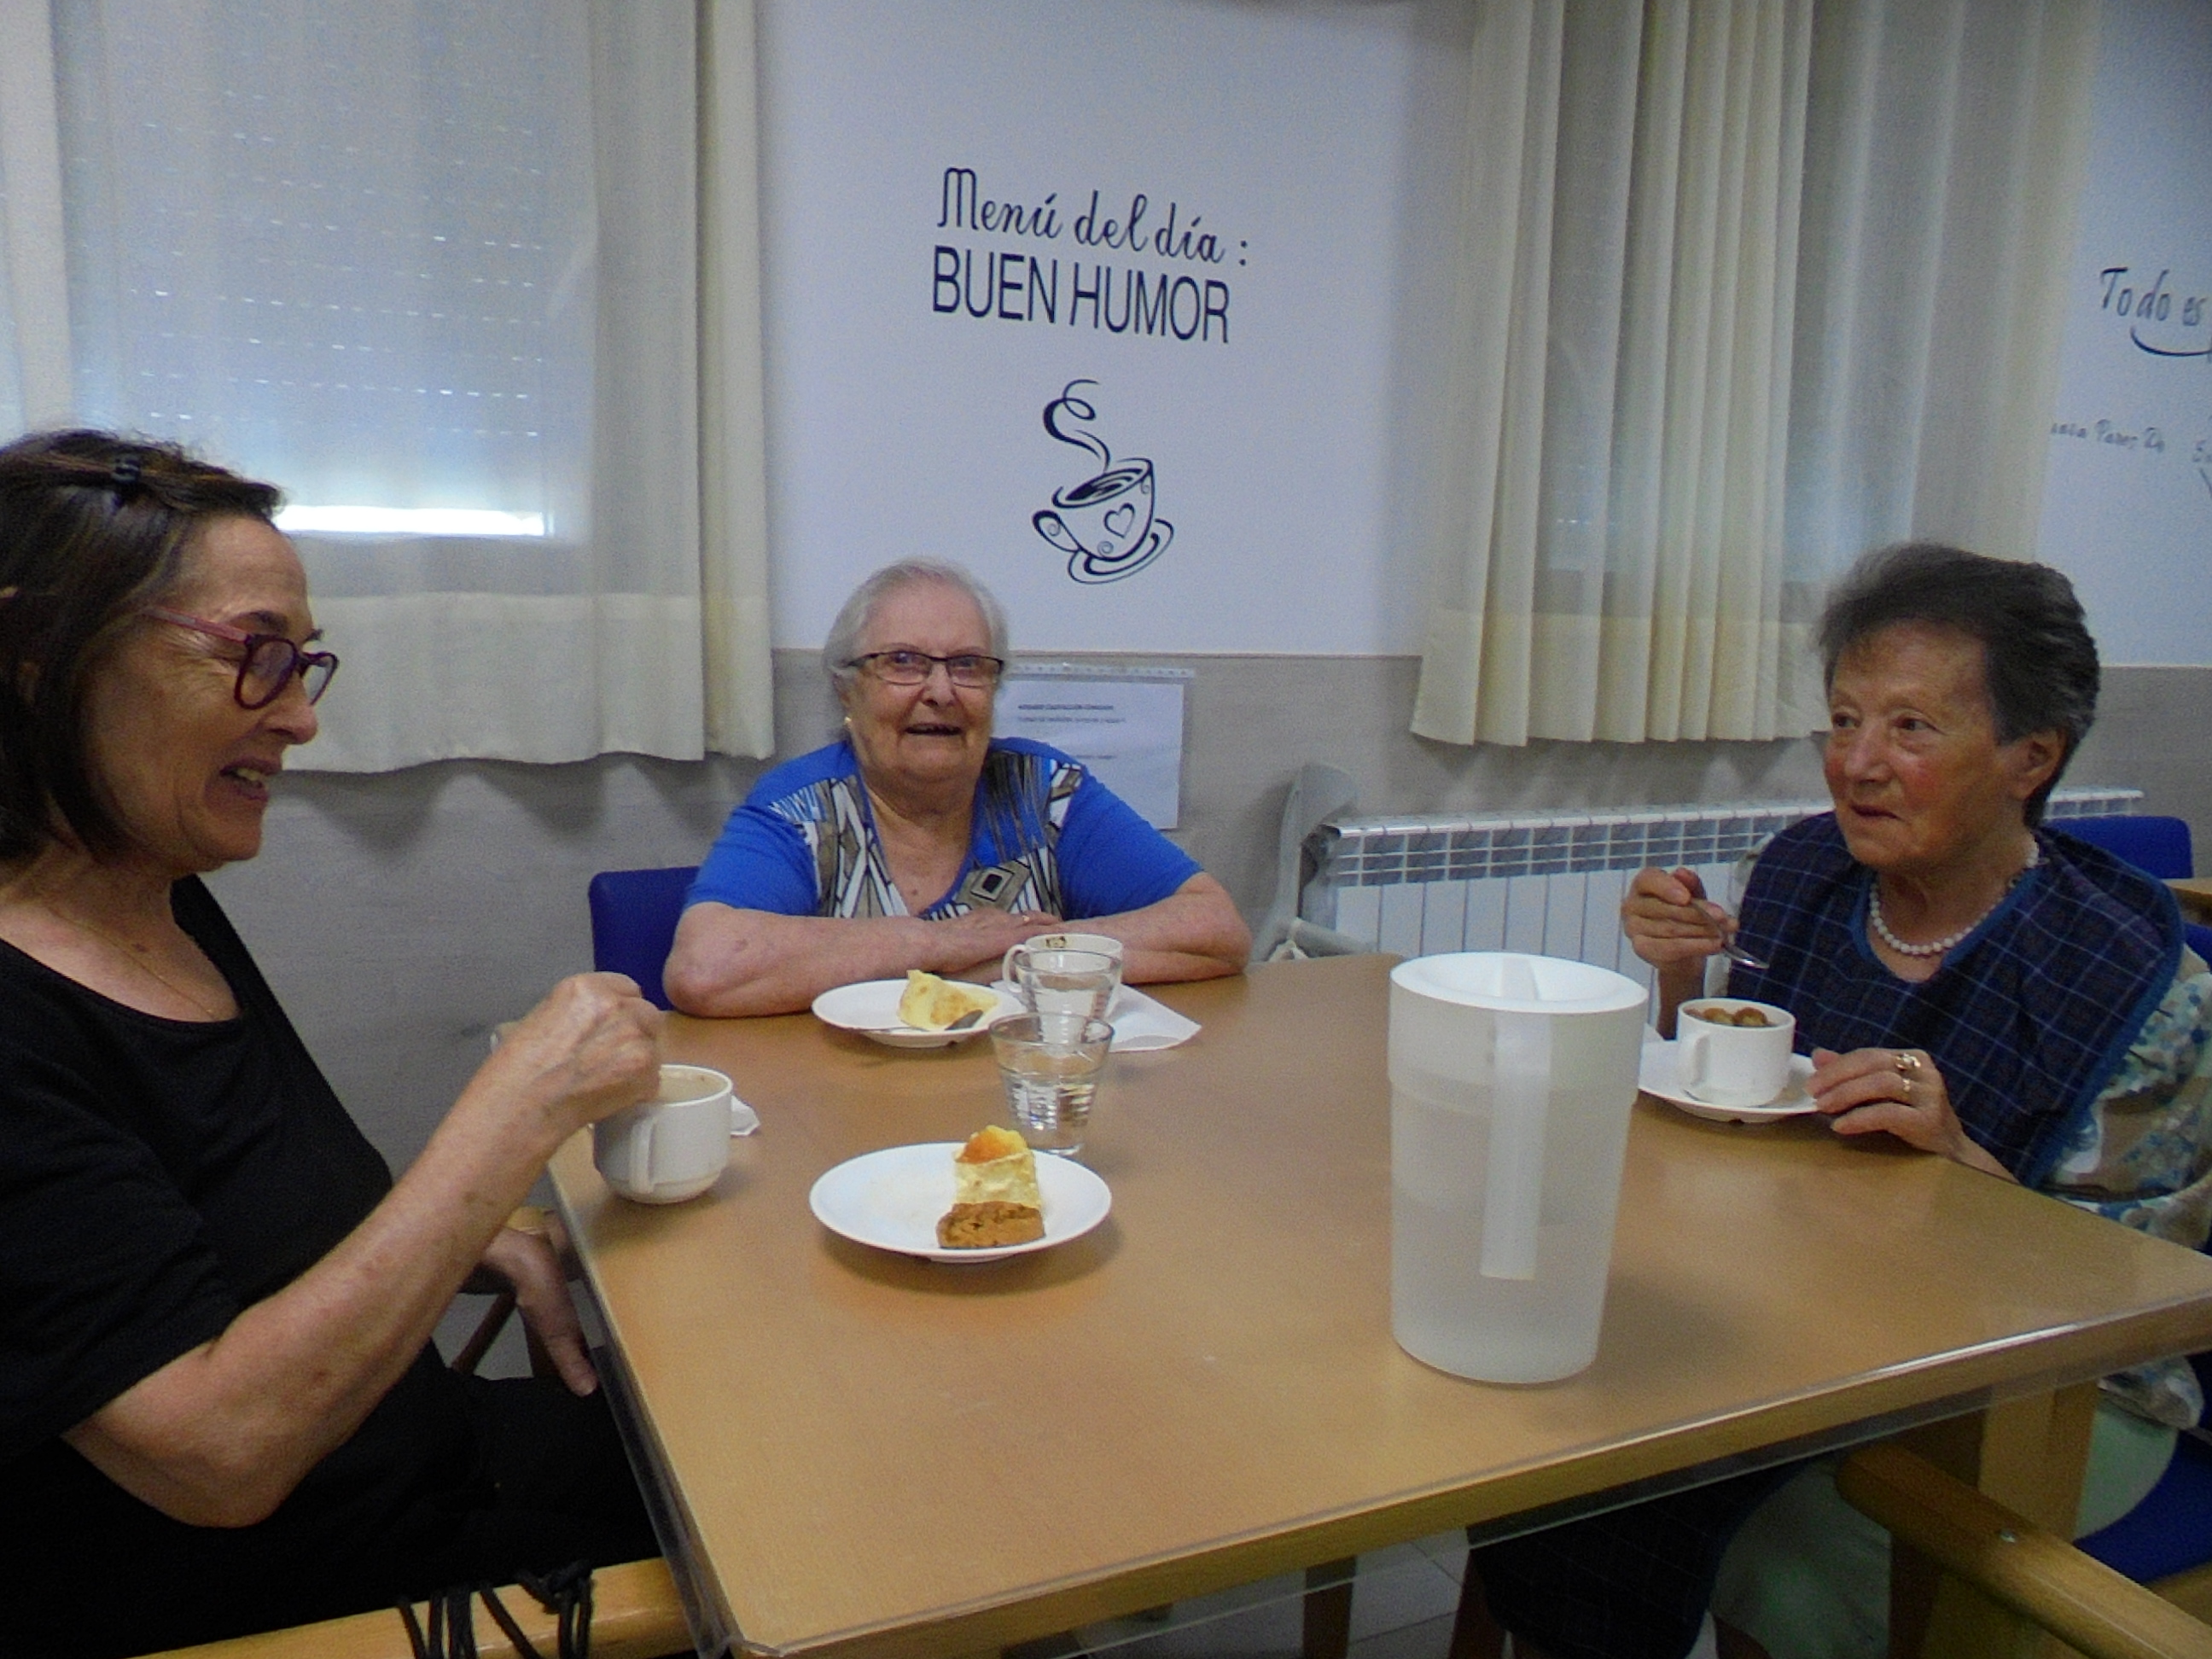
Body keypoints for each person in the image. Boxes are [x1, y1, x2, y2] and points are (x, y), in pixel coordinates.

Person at [1465, 543, 2212, 1659]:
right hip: (1811, 1321)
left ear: (2032, 756)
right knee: (1549, 1436)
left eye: (1910, 728)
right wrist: (1681, 980)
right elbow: (1738, 1118)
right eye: (1845, 720)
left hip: (2052, 1391)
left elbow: (2141, 1293)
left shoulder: (2136, 979)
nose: (1856, 764)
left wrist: (1961, 1161)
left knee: (1746, 1540)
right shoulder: (1806, 874)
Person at [0, 431, 665, 1657]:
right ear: (37, 656)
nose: (301, 718)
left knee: (752, 1416)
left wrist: (466, 1238)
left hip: (426, 1452)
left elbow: (236, 1230)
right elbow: (217, 1456)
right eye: (255, 655)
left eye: (304, 663)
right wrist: (514, 1115)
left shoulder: (151, 888)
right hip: (308, 1601)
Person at [665, 558, 1249, 1016]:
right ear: (848, 688)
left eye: (969, 665)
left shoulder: (1044, 791)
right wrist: (940, 945)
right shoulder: (800, 809)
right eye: (903, 662)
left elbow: (1214, 930)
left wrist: (1013, 958)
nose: (941, 692)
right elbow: (705, 969)